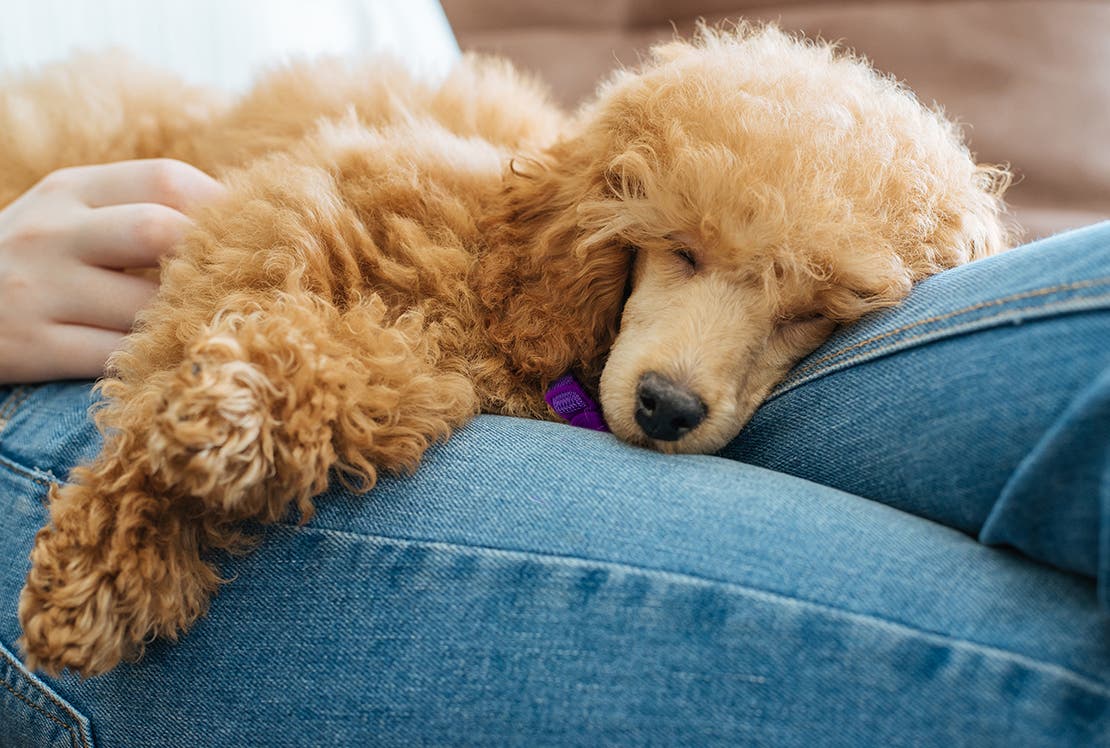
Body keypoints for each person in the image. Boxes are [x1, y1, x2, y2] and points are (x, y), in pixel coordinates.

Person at [2, 5, 1109, 747]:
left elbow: (529, 192)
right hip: (97, 366)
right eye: (682, 250)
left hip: (500, 280)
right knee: (1052, 680)